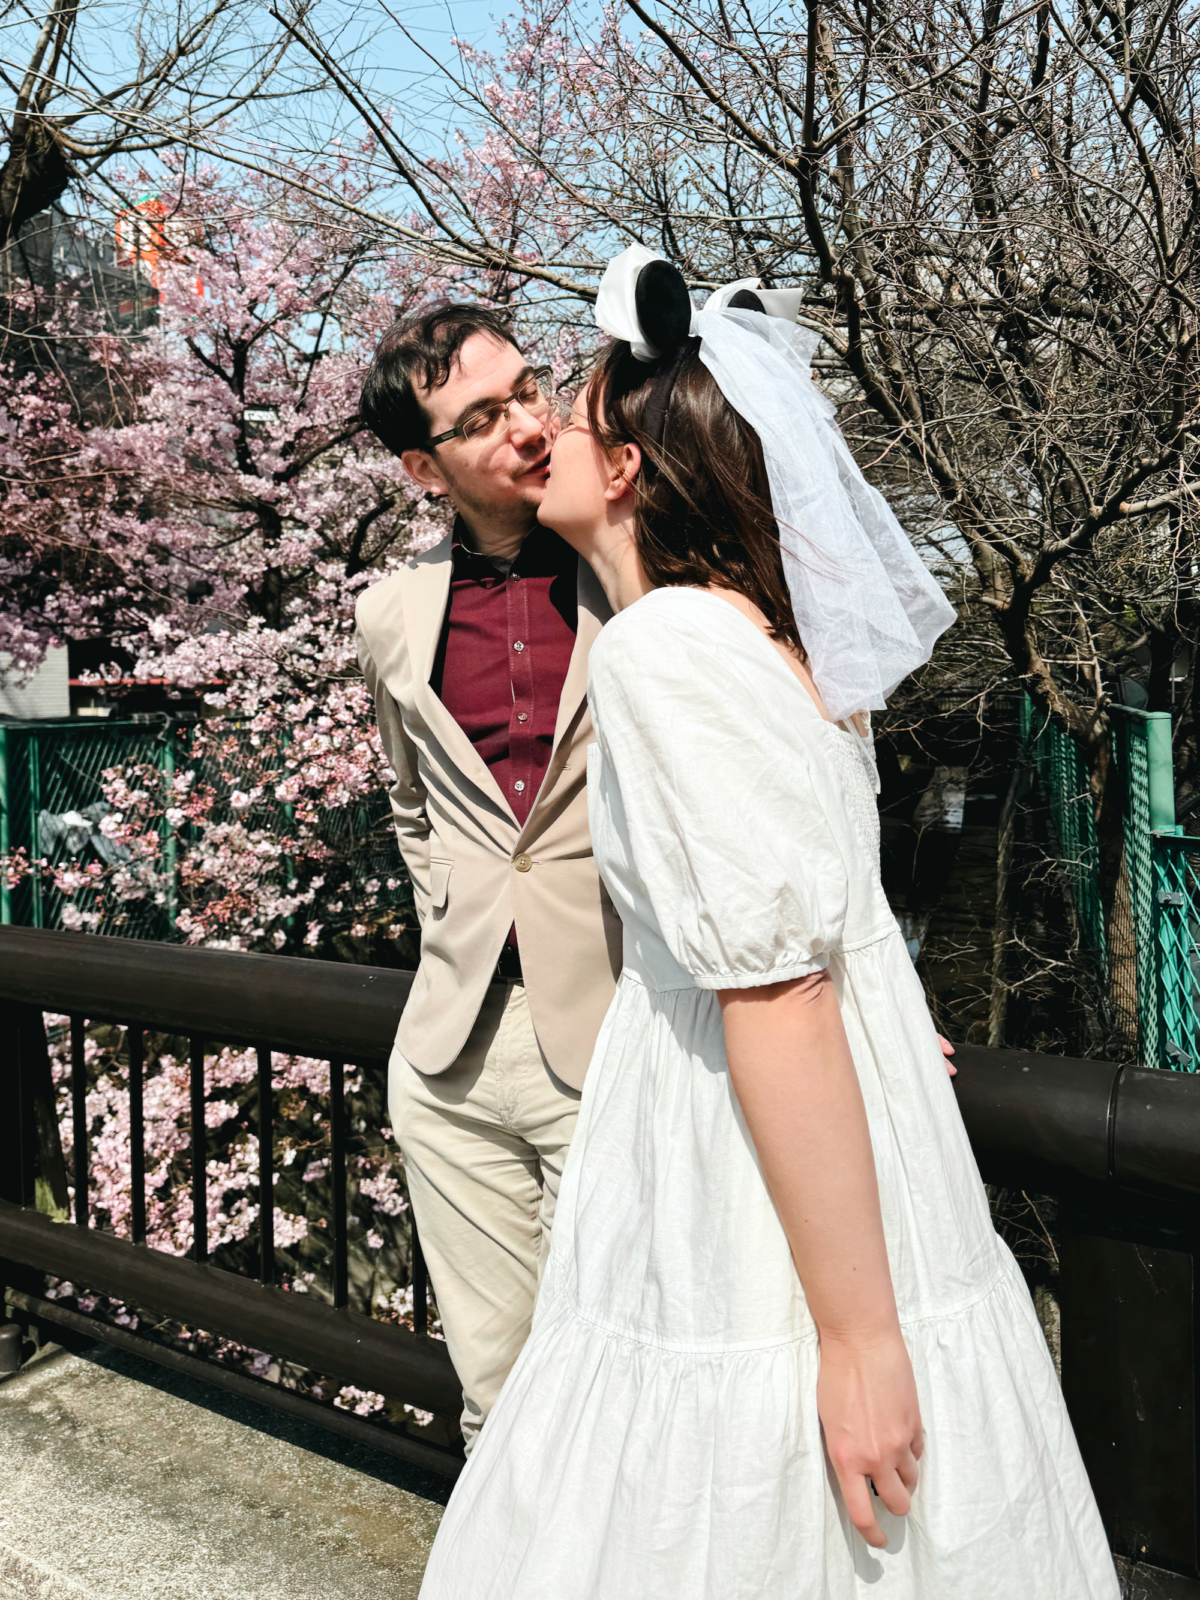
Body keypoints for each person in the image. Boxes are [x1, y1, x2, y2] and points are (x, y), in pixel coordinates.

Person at [417, 250, 1120, 1597]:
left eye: (574, 406)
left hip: (732, 1130)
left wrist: (854, 1339)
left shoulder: (661, 650)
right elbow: (828, 911)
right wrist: (889, 1005)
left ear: (628, 468)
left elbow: (775, 988)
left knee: (741, 1461)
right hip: (865, 1115)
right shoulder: (781, 641)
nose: (545, 430)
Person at [355, 305, 621, 1451]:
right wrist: (458, 921)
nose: (528, 424)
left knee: (610, 1381)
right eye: (482, 416)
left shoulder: (639, 571)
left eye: (529, 389)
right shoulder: (392, 613)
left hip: (616, 1038)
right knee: (498, 1399)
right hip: (452, 1059)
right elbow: (417, 807)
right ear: (424, 466)